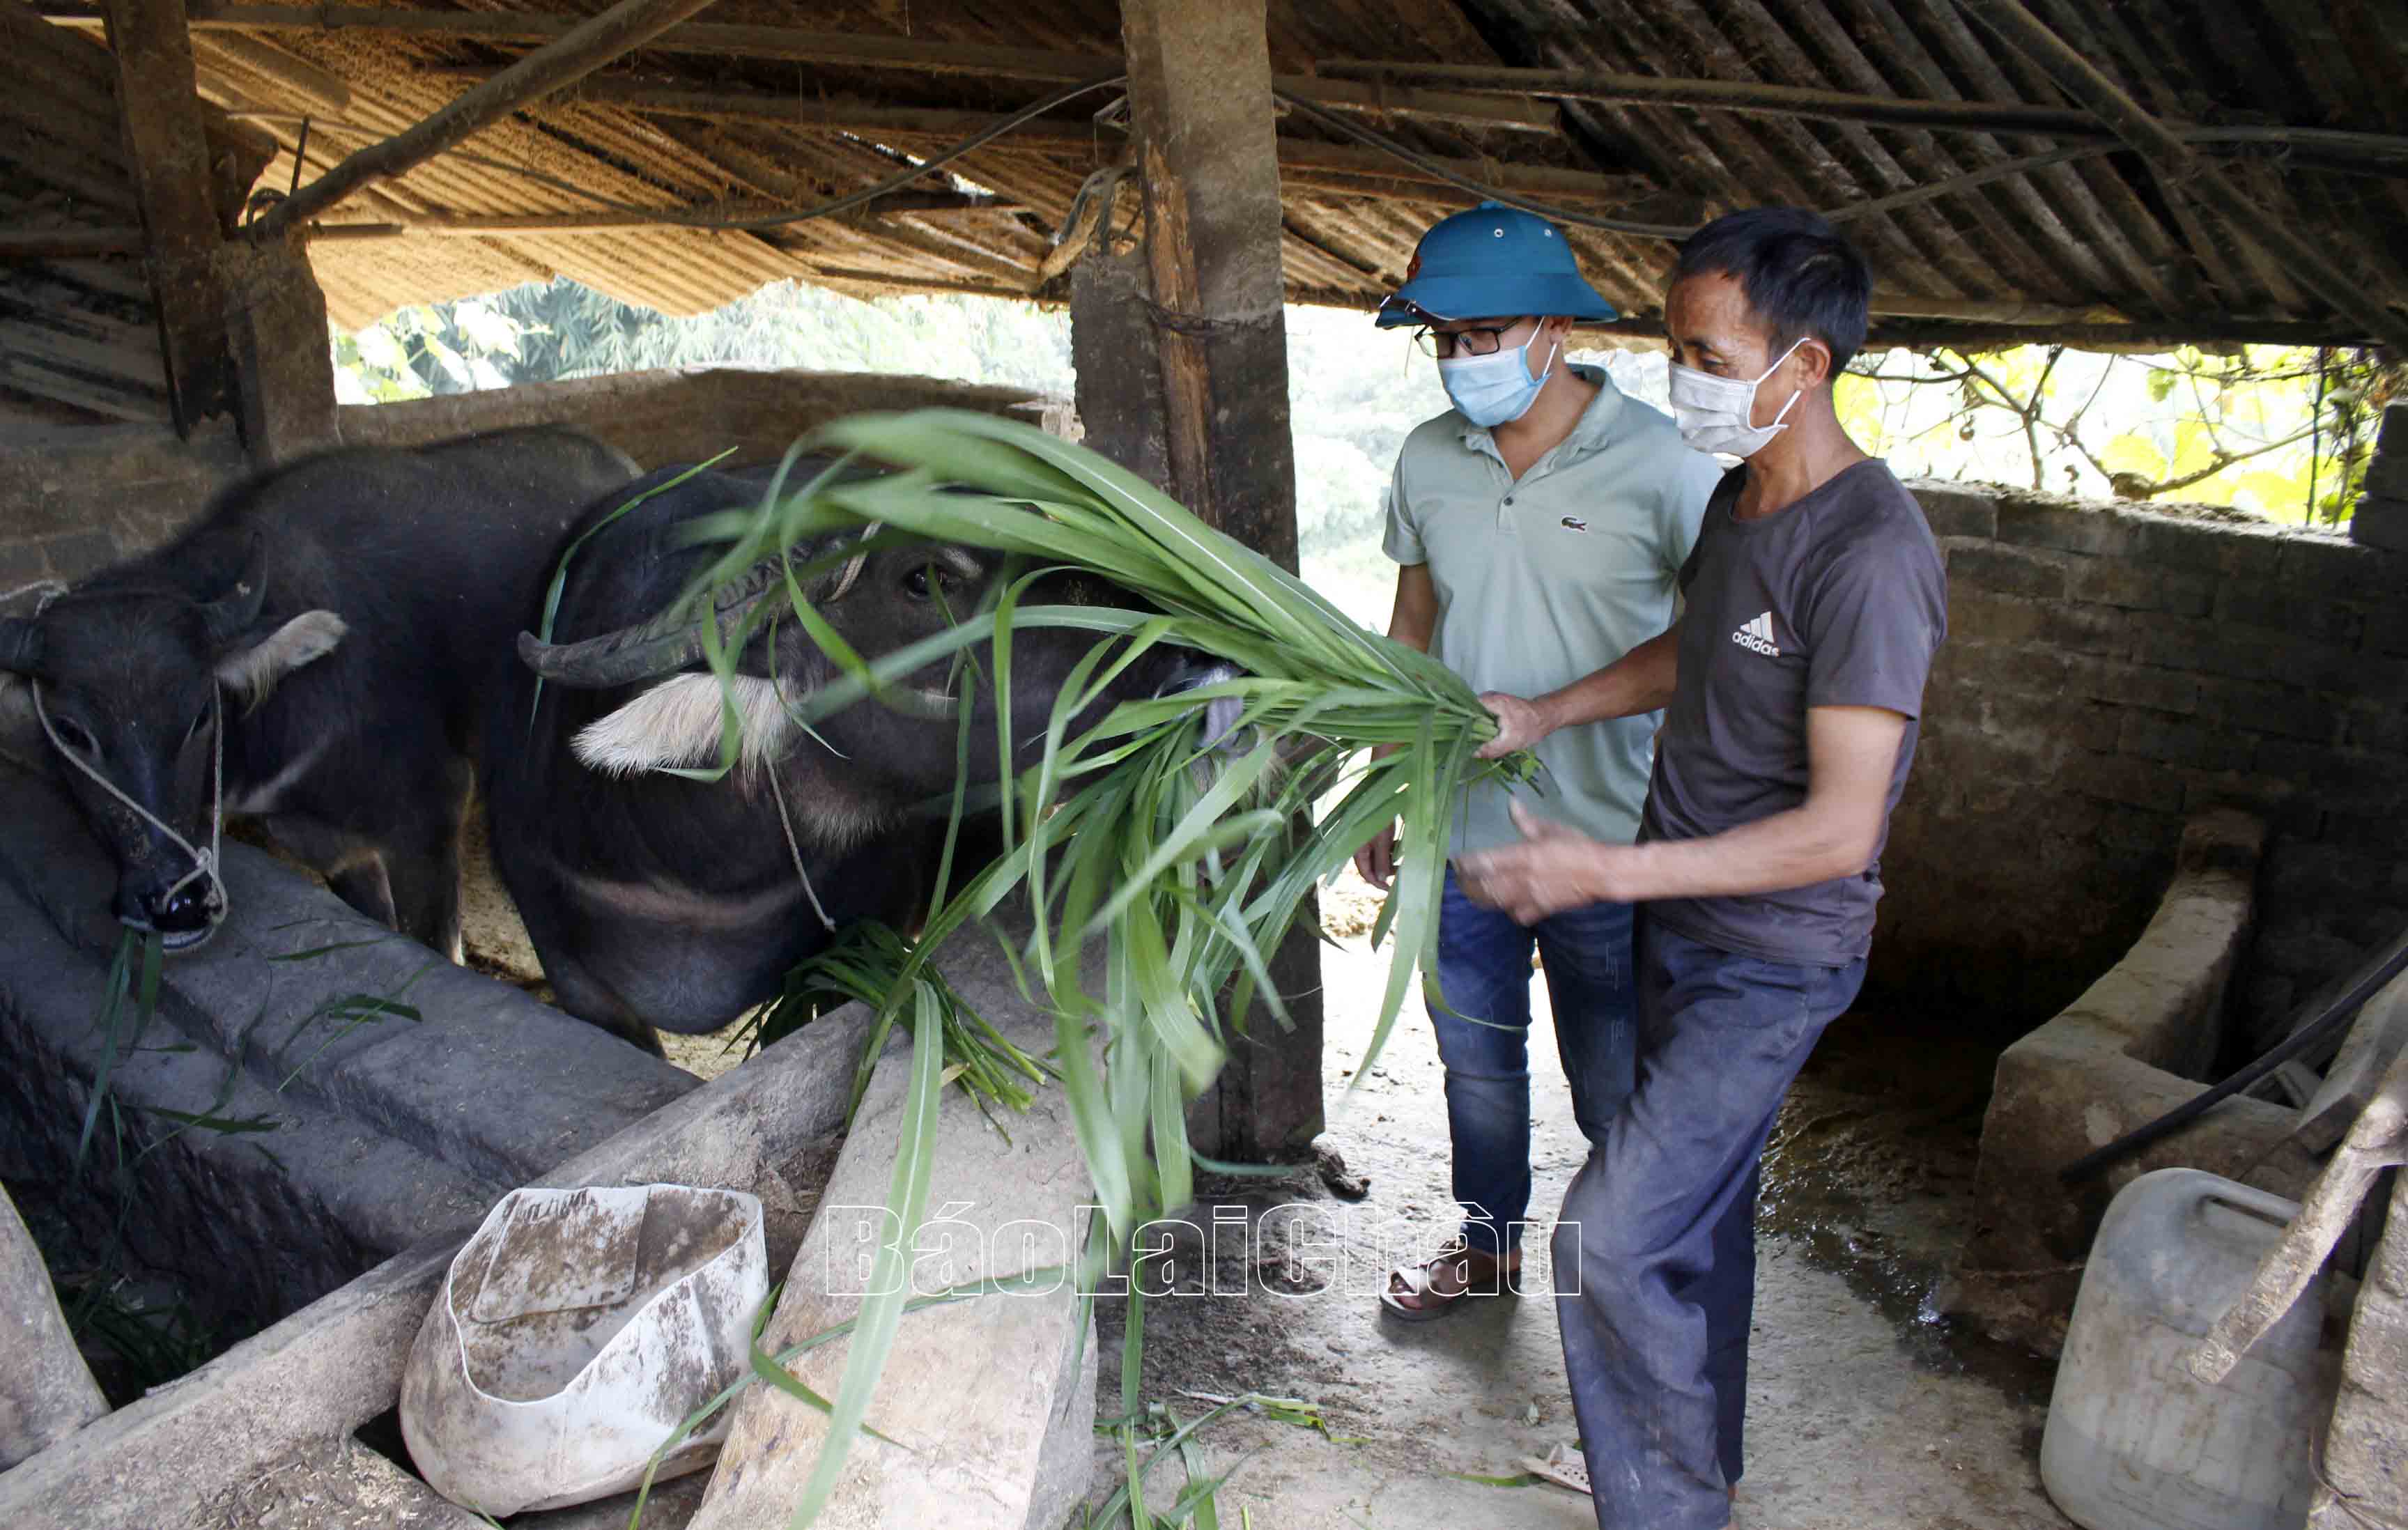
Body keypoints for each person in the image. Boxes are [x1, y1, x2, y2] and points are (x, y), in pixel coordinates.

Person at [1453, 207, 1947, 1527]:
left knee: (1602, 1236)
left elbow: (1844, 829)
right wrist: (1549, 712)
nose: (1684, 379)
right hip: (1689, 932)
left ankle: (1667, 1508)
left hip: (1772, 961)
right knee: (1695, 1225)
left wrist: (1604, 877)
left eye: (1709, 356)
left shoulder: (1871, 556)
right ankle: (1698, 1468)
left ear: (1807, 365)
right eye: (1675, 348)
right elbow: (1699, 652)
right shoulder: (1746, 498)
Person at [1357, 201, 1722, 1322]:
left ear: (1557, 329)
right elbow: (1412, 620)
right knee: (1476, 1069)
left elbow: (1706, 644)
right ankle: (1490, 1246)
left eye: (1487, 334)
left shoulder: (1665, 464)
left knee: (1615, 1087)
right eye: (1446, 341)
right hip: (1462, 833)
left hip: (1605, 844)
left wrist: (1552, 714)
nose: (1465, 361)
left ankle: (1627, 1277)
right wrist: (1382, 775)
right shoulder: (1431, 458)